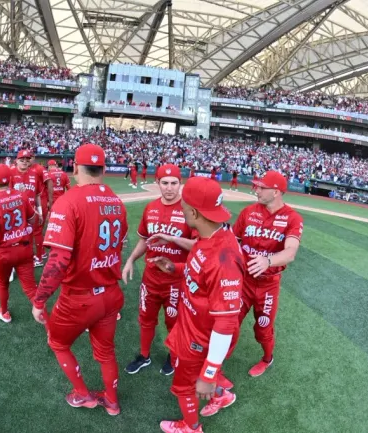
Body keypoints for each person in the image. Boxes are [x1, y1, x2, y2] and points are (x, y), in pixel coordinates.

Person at [31, 143, 128, 416]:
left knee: (58, 343)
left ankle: (84, 395)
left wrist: (39, 300)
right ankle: (111, 402)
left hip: (80, 296)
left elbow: (59, 260)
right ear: (105, 169)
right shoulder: (116, 201)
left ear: (74, 167)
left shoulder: (69, 201)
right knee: (106, 352)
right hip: (110, 292)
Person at [150, 177, 244, 433]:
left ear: (193, 212)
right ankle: (222, 394)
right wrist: (174, 268)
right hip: (192, 327)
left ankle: (191, 428)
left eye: (183, 208)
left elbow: (226, 321)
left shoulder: (222, 256)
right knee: (192, 379)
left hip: (199, 338)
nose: (180, 211)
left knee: (185, 387)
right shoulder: (212, 235)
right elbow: (201, 274)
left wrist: (210, 374)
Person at [121, 164, 195, 376]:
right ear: (158, 183)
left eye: (174, 183)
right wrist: (131, 260)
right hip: (150, 278)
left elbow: (198, 246)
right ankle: (144, 356)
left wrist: (172, 238)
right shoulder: (151, 208)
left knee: (173, 322)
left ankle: (173, 357)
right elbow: (145, 239)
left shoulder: (188, 210)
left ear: (180, 184)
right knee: (145, 319)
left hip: (176, 279)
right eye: (165, 183)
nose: (169, 188)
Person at [229, 170, 303, 378]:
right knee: (230, 321)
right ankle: (217, 364)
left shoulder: (292, 218)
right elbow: (235, 240)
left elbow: (290, 252)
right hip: (243, 280)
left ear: (276, 192)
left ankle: (267, 358)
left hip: (268, 285)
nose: (257, 190)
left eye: (262, 187)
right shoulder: (248, 212)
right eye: (257, 186)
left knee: (262, 329)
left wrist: (267, 260)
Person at [0, 164, 40, 323]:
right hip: (24, 248)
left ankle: (4, 312)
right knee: (30, 289)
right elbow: (34, 219)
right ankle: (48, 322)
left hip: (4, 253)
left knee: (2, 283)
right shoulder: (21, 196)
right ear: (11, 180)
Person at [10, 150, 44, 267]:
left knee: (31, 236)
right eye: (22, 159)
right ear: (16, 161)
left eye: (27, 159)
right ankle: (16, 261)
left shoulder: (34, 174)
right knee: (15, 238)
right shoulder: (11, 174)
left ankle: (34, 258)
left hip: (31, 212)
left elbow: (37, 195)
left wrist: (40, 212)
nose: (25, 161)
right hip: (15, 212)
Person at [30, 155, 53, 259]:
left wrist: (50, 201)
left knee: (37, 230)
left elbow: (49, 182)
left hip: (40, 201)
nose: (27, 160)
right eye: (24, 158)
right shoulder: (25, 169)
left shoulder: (39, 168)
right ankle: (41, 252)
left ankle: (39, 255)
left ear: (33, 158)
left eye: (29, 157)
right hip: (30, 202)